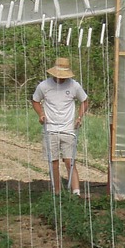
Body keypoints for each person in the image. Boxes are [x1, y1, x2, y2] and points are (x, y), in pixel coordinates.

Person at [31, 56, 89, 196]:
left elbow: (85, 101)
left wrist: (79, 117)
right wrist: (41, 114)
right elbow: (35, 100)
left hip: (68, 129)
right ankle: (57, 192)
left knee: (70, 161)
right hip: (50, 129)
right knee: (53, 162)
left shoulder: (74, 85)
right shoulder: (44, 86)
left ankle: (76, 192)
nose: (62, 78)